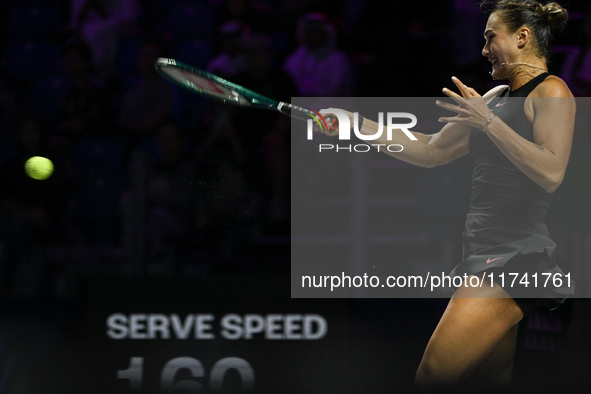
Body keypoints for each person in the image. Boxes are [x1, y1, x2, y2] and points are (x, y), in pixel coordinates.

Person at [315, 0, 575, 387]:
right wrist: (357, 124)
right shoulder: (493, 99)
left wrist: (488, 123)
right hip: (483, 253)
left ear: (522, 38)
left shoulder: (551, 91)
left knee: (432, 376)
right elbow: (431, 150)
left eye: (491, 38)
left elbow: (551, 171)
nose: (485, 50)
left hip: (516, 259)